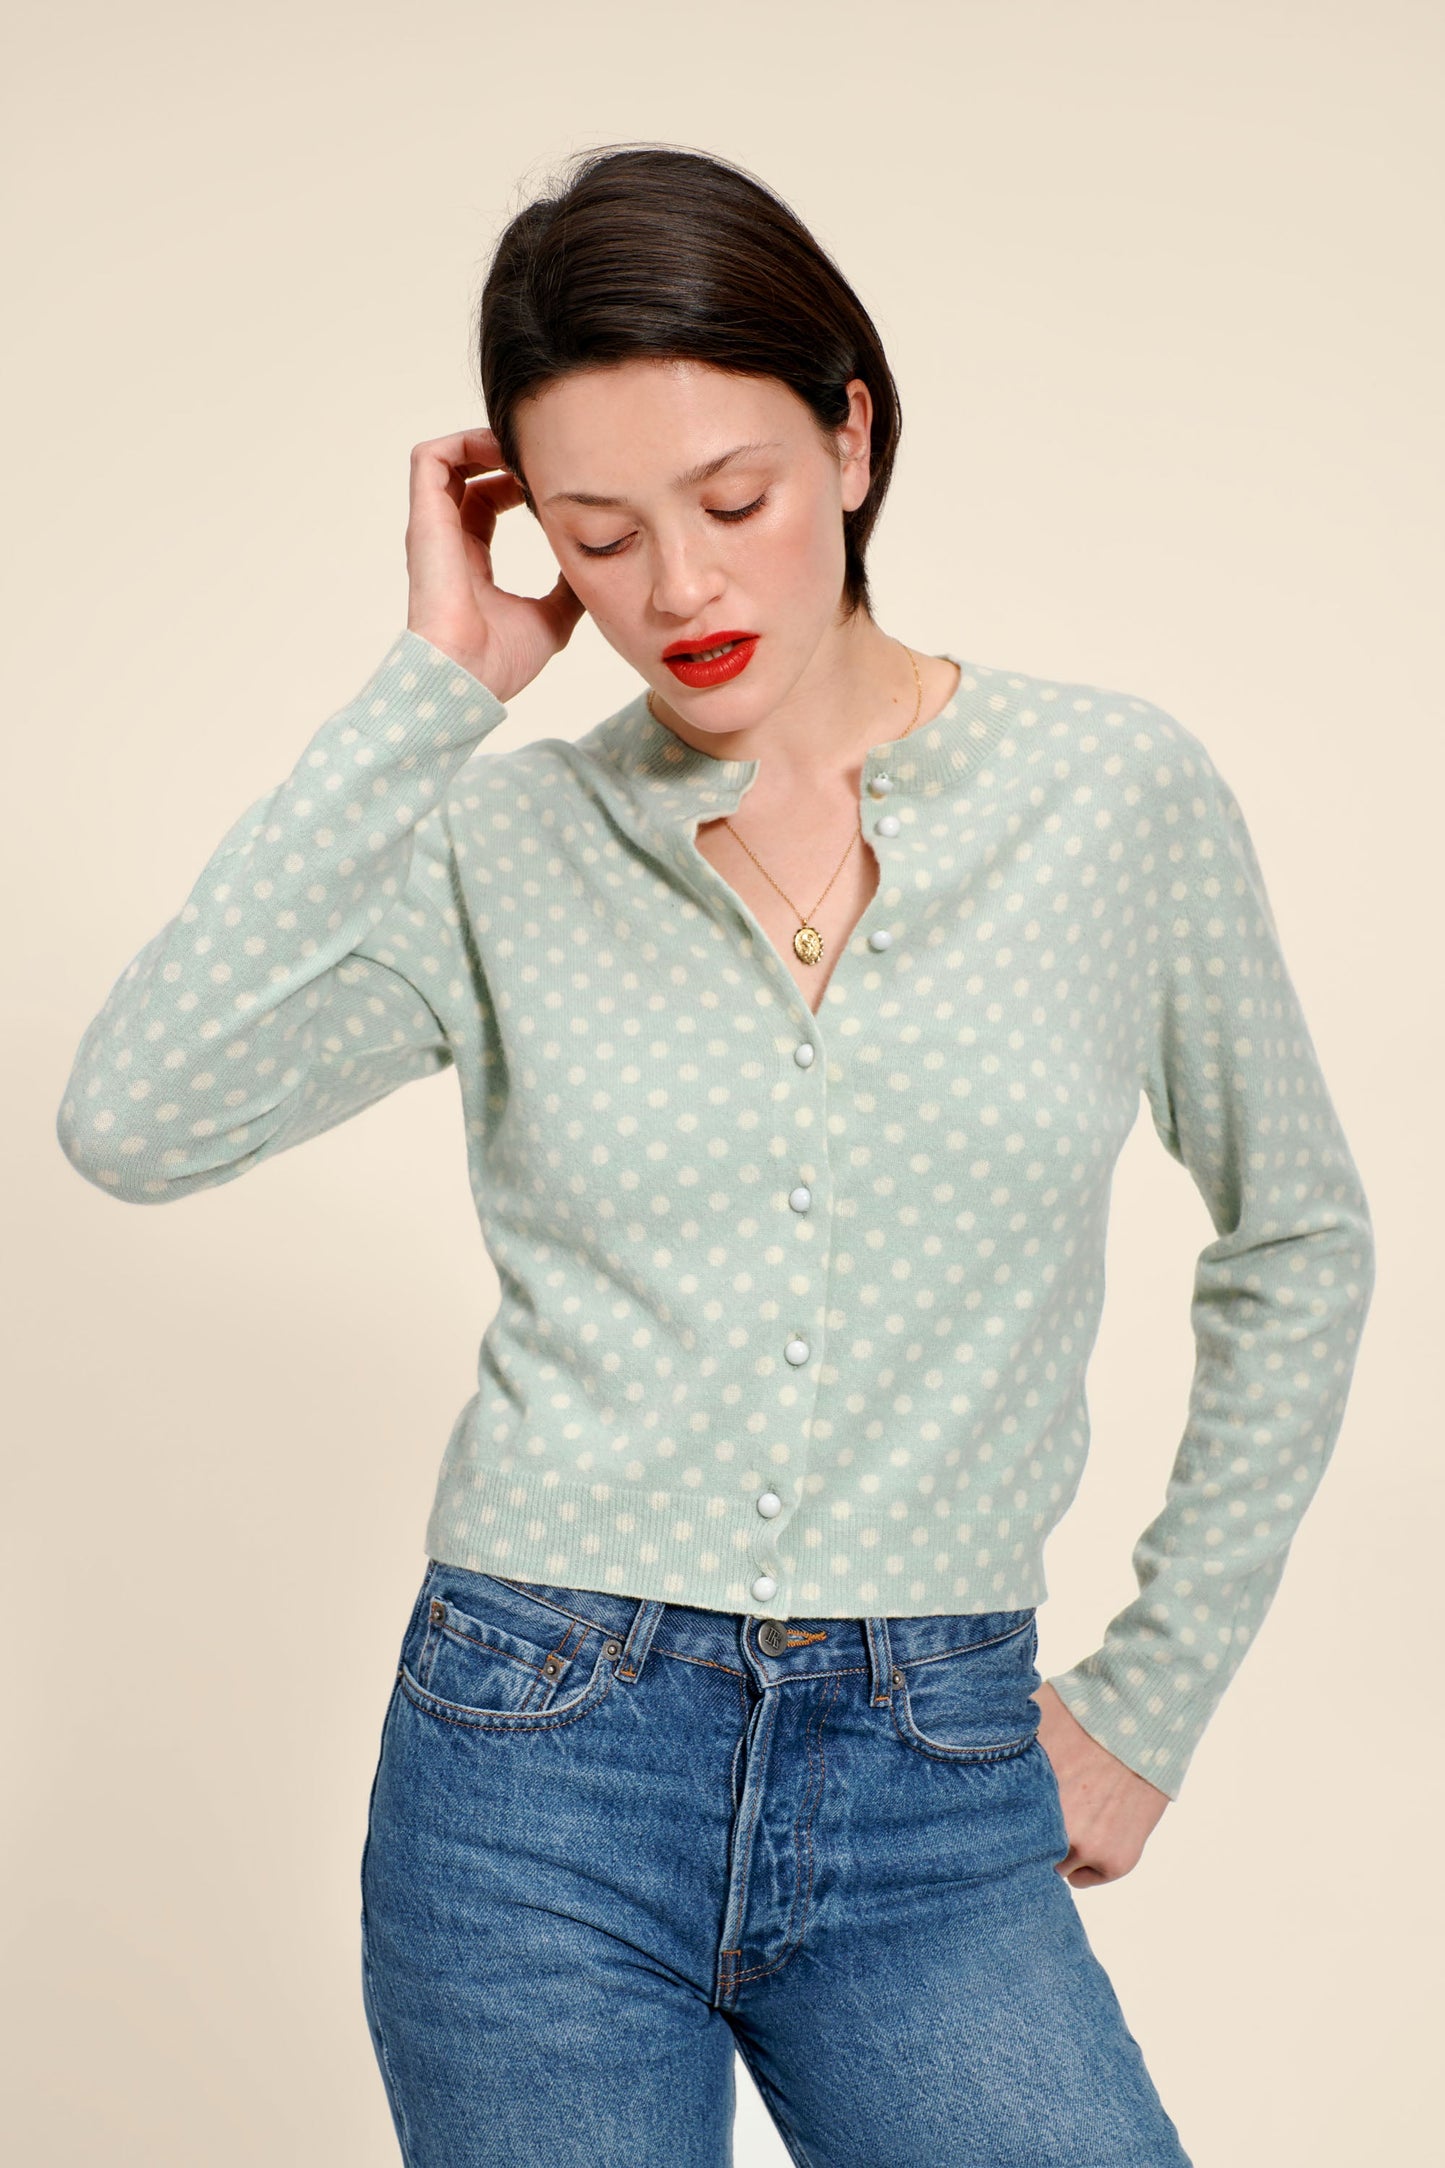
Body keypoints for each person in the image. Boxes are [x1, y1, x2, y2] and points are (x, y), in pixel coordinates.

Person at [56, 143, 1375, 2167]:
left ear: (851, 436)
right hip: (535, 1771)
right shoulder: (506, 844)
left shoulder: (1113, 798)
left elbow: (1297, 1234)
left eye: (730, 502)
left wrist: (1152, 1693)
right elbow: (134, 1116)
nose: (675, 589)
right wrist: (432, 691)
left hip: (936, 1773)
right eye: (596, 536)